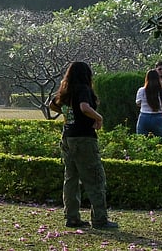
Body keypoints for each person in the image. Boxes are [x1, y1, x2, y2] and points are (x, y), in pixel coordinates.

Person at [50, 61, 118, 230]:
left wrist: (68, 114)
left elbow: (52, 105)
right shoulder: (83, 89)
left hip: (67, 136)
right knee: (95, 178)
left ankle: (72, 217)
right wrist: (98, 118)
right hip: (84, 138)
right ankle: (100, 219)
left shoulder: (66, 90)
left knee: (71, 178)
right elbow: (84, 107)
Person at [135, 69, 162, 138]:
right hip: (158, 116)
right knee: (161, 140)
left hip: (144, 116)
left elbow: (138, 103)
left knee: (141, 140)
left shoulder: (141, 90)